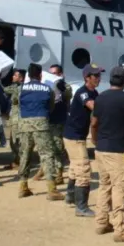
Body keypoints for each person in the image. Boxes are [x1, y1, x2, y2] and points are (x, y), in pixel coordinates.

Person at [92, 66, 124, 242]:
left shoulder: (100, 97)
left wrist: (95, 140)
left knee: (104, 186)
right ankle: (120, 228)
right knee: (120, 187)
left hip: (101, 148)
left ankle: (101, 222)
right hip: (117, 150)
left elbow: (94, 123)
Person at [16, 63, 62, 201]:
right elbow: (51, 106)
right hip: (42, 123)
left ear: (28, 76)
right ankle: (51, 189)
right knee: (47, 155)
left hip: (24, 124)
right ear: (41, 75)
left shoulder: (21, 89)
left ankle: (23, 187)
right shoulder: (47, 89)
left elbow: (18, 103)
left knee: (24, 154)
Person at [63, 63, 103, 217]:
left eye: (99, 75)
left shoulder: (95, 93)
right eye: (96, 76)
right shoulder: (83, 93)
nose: (99, 78)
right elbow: (94, 107)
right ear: (87, 78)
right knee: (84, 169)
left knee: (75, 167)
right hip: (73, 136)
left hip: (78, 135)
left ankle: (70, 197)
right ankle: (81, 206)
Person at [49, 64, 73, 203]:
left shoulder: (65, 86)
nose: (54, 76)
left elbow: (67, 96)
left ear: (61, 74)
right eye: (51, 73)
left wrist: (62, 88)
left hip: (60, 119)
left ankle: (58, 174)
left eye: (56, 73)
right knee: (50, 148)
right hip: (49, 119)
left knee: (58, 147)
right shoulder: (47, 85)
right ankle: (54, 172)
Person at [2, 68, 27, 171]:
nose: (13, 77)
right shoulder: (16, 87)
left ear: (21, 78)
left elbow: (4, 90)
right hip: (14, 119)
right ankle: (17, 161)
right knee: (13, 142)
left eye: (15, 75)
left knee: (18, 142)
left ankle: (21, 163)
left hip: (19, 119)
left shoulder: (21, 88)